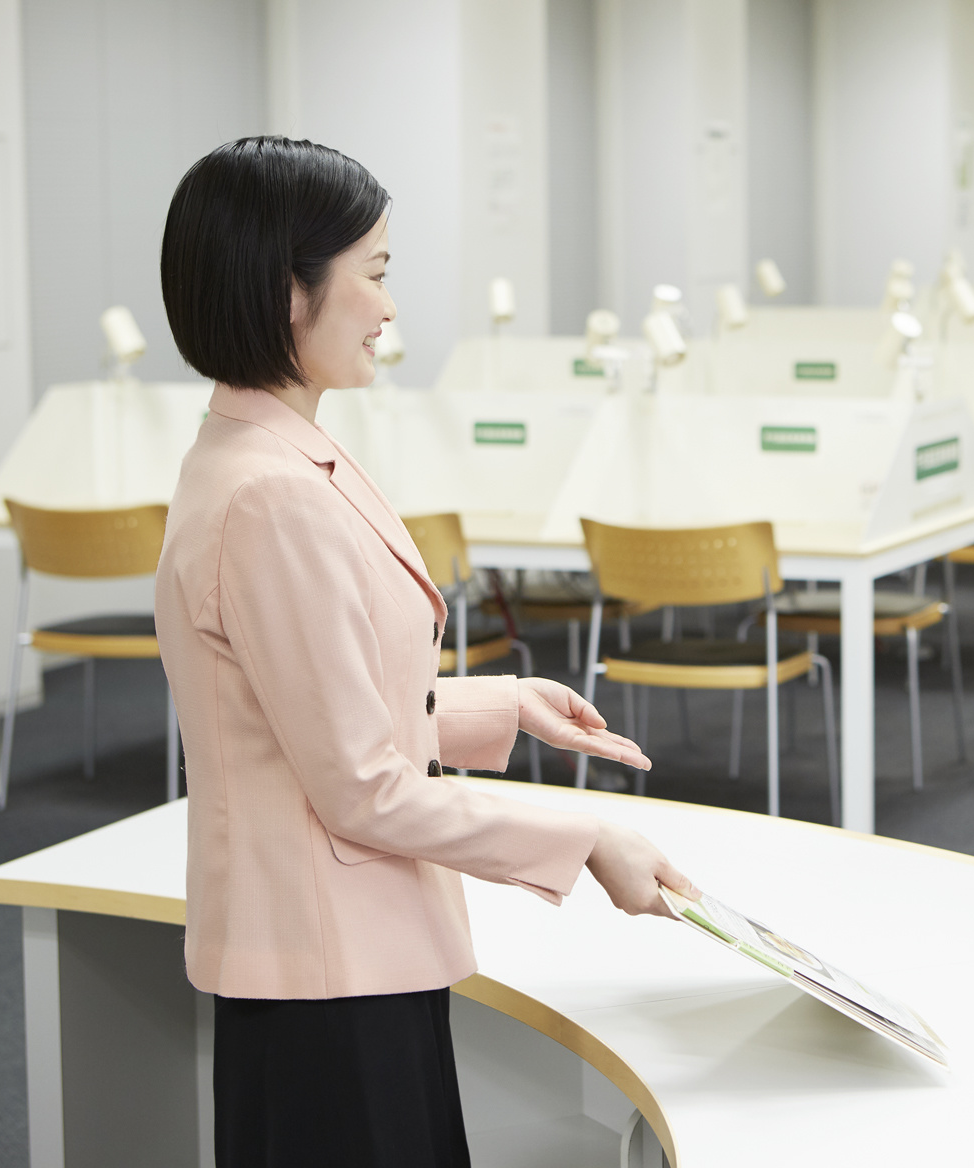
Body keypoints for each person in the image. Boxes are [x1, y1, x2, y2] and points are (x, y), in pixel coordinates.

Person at [154, 136, 696, 1167]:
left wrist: (499, 706)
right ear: (288, 294)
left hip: (331, 956)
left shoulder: (260, 448)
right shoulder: (273, 491)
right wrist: (582, 840)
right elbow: (359, 785)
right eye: (376, 274)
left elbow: (305, 705)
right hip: (330, 971)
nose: (392, 307)